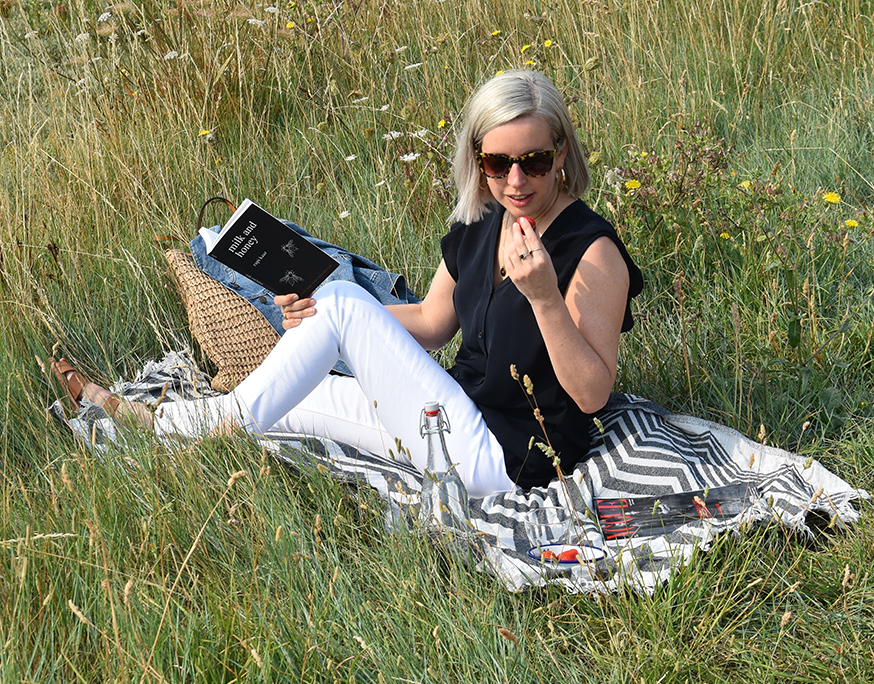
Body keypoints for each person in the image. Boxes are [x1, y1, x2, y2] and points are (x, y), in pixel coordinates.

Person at [52, 70, 642, 497]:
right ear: (476, 159)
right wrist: (326, 327)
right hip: (446, 417)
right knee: (290, 399)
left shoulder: (591, 251)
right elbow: (434, 324)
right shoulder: (484, 220)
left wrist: (542, 298)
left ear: (561, 154)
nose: (516, 179)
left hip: (512, 456)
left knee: (339, 303)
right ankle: (151, 428)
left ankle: (180, 430)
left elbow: (592, 394)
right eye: (497, 163)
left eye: (534, 161)